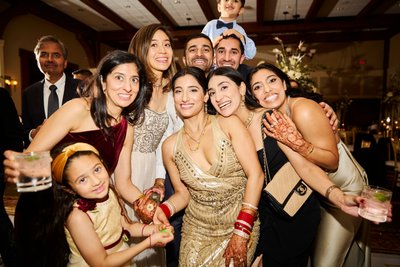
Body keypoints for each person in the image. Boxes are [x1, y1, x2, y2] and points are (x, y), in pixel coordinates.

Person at [207, 67, 376, 267]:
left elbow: (304, 167)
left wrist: (338, 197)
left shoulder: (271, 119)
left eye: (224, 87)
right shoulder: (225, 126)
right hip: (263, 215)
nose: (218, 97)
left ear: (242, 89)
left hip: (294, 215)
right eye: (211, 93)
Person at [3, 50, 159, 266]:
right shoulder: (77, 109)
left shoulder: (127, 128)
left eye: (134, 79)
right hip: (45, 214)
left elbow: (123, 183)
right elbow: (28, 159)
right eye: (119, 77)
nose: (128, 87)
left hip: (87, 219)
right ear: (103, 82)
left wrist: (151, 209)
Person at [248, 63, 368, 267]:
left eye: (272, 81)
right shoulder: (272, 116)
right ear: (253, 97)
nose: (267, 89)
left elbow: (332, 160)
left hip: (342, 184)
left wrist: (298, 144)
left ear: (285, 84)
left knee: (326, 260)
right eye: (258, 87)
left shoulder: (303, 108)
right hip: (313, 188)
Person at [155, 66, 264, 266]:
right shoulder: (169, 146)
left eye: (193, 90)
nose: (185, 97)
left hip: (240, 226)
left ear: (206, 96)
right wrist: (164, 210)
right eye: (178, 91)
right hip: (196, 231)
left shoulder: (228, 124)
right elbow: (182, 194)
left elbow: (256, 175)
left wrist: (242, 231)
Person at [49, 142, 174, 266]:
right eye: (82, 179)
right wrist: (148, 243)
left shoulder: (110, 192)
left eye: (97, 169)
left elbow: (127, 227)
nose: (96, 181)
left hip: (121, 257)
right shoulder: (77, 216)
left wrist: (155, 229)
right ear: (68, 188)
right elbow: (101, 263)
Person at [127, 23, 182, 266]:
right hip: (123, 169)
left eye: (167, 44)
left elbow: (167, 139)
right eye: (155, 45)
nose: (163, 50)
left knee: (150, 244)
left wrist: (160, 179)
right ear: (141, 49)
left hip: (152, 172)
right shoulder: (131, 86)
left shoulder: (170, 90)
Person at [22, 35, 80, 147]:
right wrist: (33, 133)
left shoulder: (83, 88)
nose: (49, 59)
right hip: (42, 157)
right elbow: (24, 131)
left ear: (65, 62)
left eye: (56, 55)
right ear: (37, 60)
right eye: (44, 54)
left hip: (76, 157)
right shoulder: (29, 93)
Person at [0, 88, 23, 267]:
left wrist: (6, 167)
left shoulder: (0, 96)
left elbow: (14, 135)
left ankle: (13, 259)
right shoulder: (31, 92)